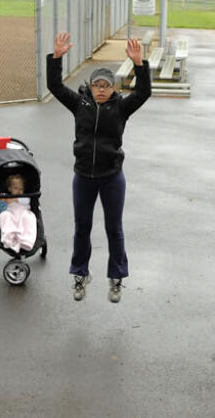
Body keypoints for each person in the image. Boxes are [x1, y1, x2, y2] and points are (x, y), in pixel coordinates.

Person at [46, 31, 150, 303]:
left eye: (107, 85)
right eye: (97, 85)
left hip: (111, 177)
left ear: (114, 88)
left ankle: (116, 278)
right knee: (82, 227)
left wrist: (140, 65)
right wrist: (56, 58)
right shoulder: (79, 105)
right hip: (83, 177)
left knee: (114, 228)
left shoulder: (121, 108)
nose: (102, 89)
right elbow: (55, 86)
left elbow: (144, 92)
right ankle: (80, 274)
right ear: (90, 88)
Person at [0, 174, 37, 252]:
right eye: (16, 188)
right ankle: (9, 238)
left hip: (22, 214)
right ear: (10, 188)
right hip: (11, 215)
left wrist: (15, 199)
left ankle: (26, 240)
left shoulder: (24, 198)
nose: (19, 191)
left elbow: (27, 201)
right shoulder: (6, 197)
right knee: (5, 216)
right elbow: (1, 208)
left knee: (29, 218)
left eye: (21, 189)